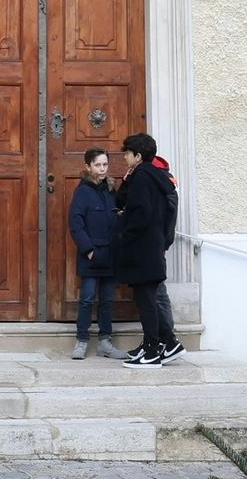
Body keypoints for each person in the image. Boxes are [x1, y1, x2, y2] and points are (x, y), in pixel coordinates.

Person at [111, 131, 181, 365]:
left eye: (127, 154)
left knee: (146, 301)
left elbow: (141, 212)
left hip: (142, 248)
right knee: (148, 298)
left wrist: (125, 235)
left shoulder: (142, 177)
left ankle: (152, 351)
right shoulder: (151, 175)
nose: (124, 158)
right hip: (152, 246)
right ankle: (169, 344)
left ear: (138, 155)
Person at [65, 146, 122, 358]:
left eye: (105, 164)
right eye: (97, 165)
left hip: (110, 253)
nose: (102, 169)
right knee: (87, 299)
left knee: (108, 299)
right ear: (88, 166)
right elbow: (76, 223)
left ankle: (105, 342)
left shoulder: (111, 189)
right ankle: (81, 341)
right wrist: (88, 250)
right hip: (92, 254)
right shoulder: (82, 191)